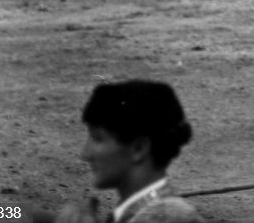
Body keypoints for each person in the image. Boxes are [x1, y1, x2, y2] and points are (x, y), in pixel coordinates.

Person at [52, 80, 200, 223]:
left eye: (98, 139)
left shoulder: (167, 218)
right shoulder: (144, 213)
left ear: (139, 148)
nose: (85, 154)